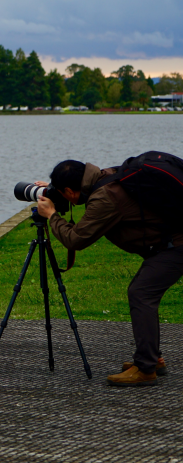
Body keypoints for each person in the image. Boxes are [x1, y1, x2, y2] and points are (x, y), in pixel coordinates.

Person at [37, 160, 183, 387]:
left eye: (64, 193)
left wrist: (52, 216)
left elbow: (76, 240)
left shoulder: (105, 197)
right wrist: (55, 191)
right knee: (142, 292)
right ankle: (153, 360)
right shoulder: (109, 175)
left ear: (69, 190)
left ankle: (146, 369)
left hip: (175, 246)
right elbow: (84, 195)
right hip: (169, 243)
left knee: (141, 294)